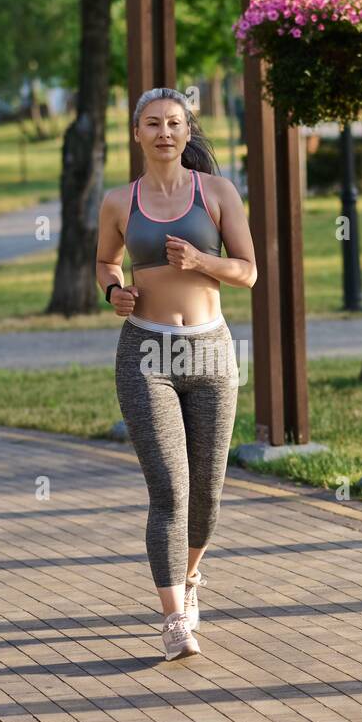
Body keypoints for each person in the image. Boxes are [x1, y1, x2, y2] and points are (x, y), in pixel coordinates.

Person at [95, 87, 257, 661]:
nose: (164, 133)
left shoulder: (216, 193)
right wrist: (115, 291)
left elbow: (249, 271)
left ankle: (189, 582)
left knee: (206, 496)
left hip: (210, 353)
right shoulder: (120, 201)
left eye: (174, 123)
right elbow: (105, 261)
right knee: (169, 489)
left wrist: (201, 262)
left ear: (188, 132)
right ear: (136, 134)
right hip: (146, 353)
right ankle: (171, 621)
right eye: (152, 124)